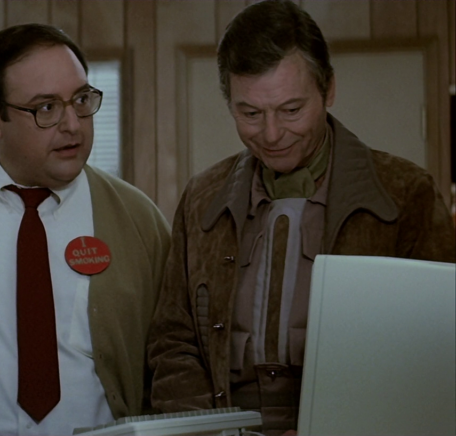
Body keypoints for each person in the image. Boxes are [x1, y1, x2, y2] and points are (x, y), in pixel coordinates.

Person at [147, 1, 456, 434]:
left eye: (291, 110)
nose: (272, 134)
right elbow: (173, 341)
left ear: (328, 90)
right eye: (250, 114)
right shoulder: (203, 198)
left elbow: (435, 352)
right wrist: (207, 431)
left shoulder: (406, 193)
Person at [0, 24, 171, 435]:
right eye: (46, 108)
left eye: (81, 100)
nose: (73, 125)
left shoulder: (138, 219)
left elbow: (169, 356)